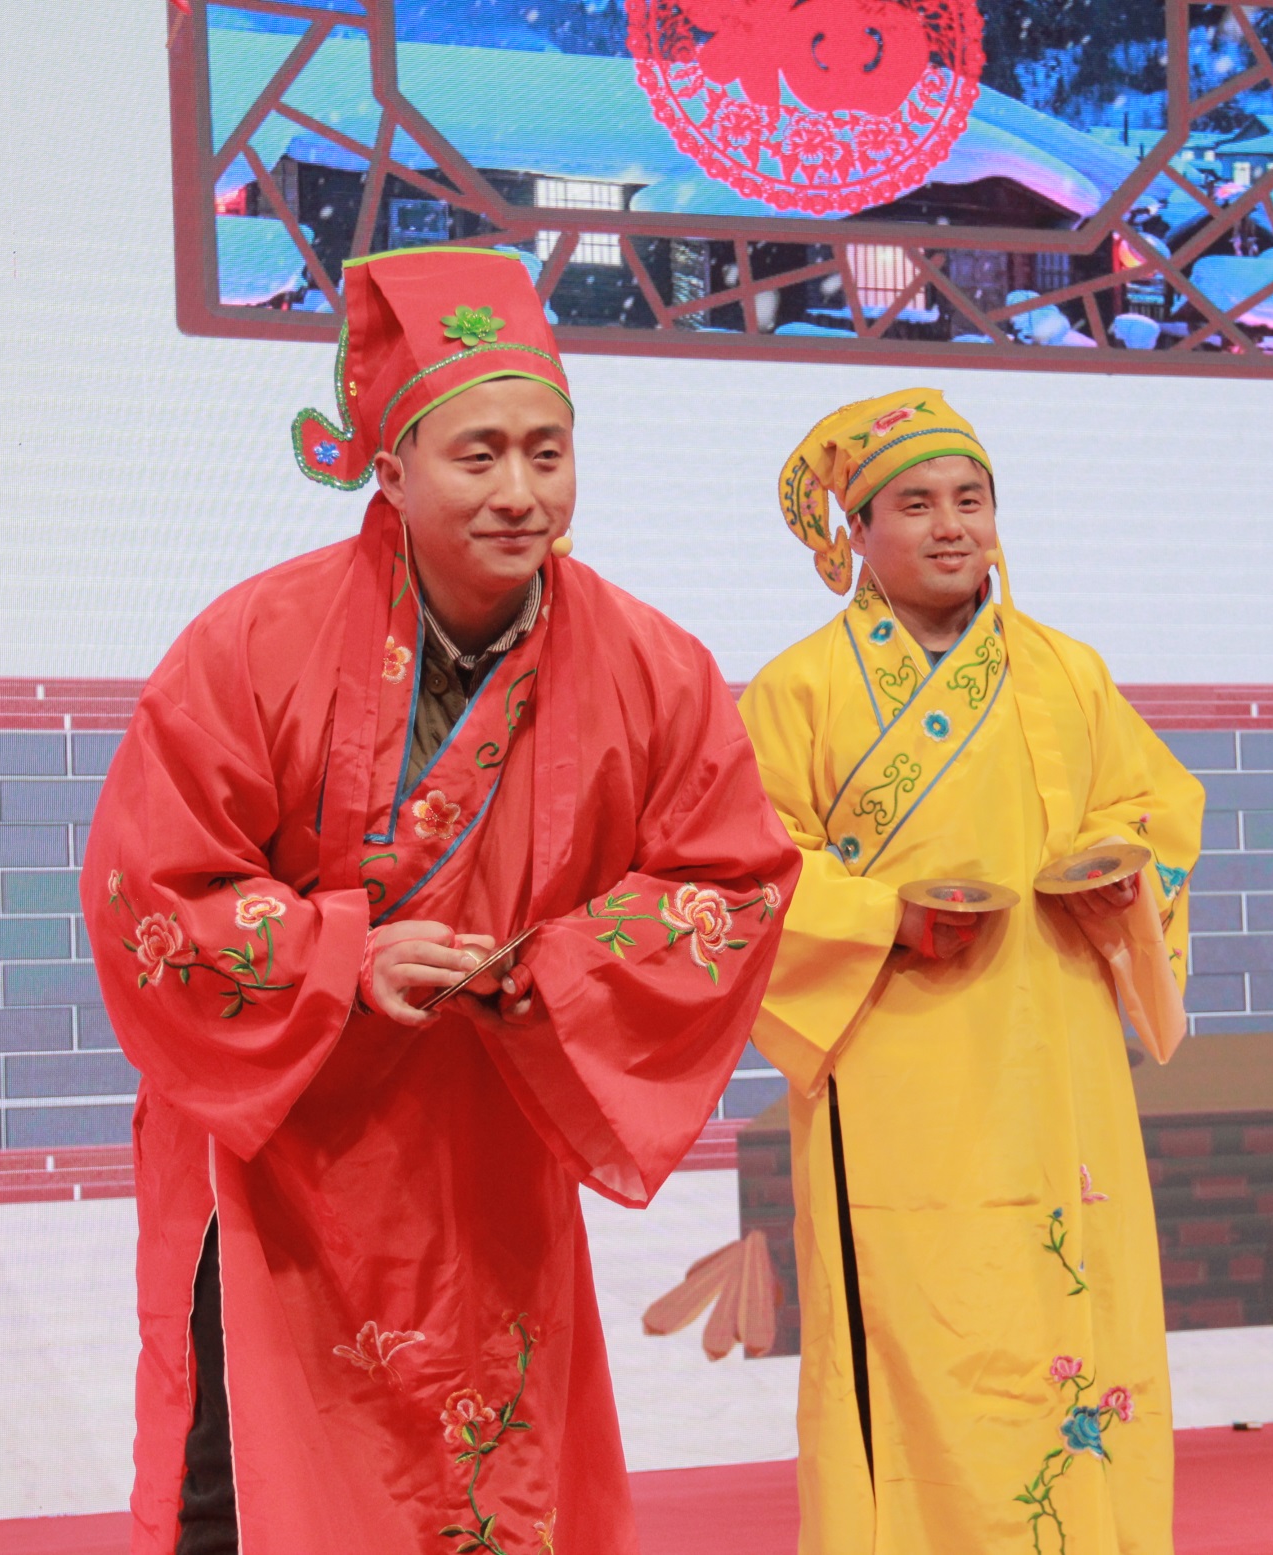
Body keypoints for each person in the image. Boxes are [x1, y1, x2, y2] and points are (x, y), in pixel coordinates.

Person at [81, 246, 799, 1555]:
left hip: (484, 1148)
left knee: (487, 1482)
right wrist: (338, 954)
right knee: (238, 1490)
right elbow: (153, 886)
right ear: (391, 466)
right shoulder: (254, 643)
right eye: (479, 455)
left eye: (547, 453)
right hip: (277, 1152)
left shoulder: (652, 666)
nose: (521, 492)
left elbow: (732, 876)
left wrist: (559, 962)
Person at [736, 390, 1204, 1554]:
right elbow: (749, 873)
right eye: (913, 504)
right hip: (890, 1067)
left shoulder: (1066, 673)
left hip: (1054, 1055)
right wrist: (881, 918)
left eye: (970, 499)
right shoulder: (797, 690)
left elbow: (1155, 808)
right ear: (856, 531)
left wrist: (1122, 878)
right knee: (913, 1330)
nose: (951, 526)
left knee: (1066, 1322)